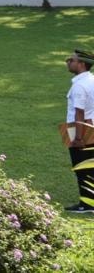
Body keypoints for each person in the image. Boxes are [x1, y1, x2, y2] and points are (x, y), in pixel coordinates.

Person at [64, 49, 94, 214]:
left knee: (82, 167)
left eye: (72, 60)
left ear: (81, 64)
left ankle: (87, 204)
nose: (68, 62)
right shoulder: (91, 80)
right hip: (92, 126)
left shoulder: (79, 86)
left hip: (81, 129)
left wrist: (78, 137)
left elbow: (79, 112)